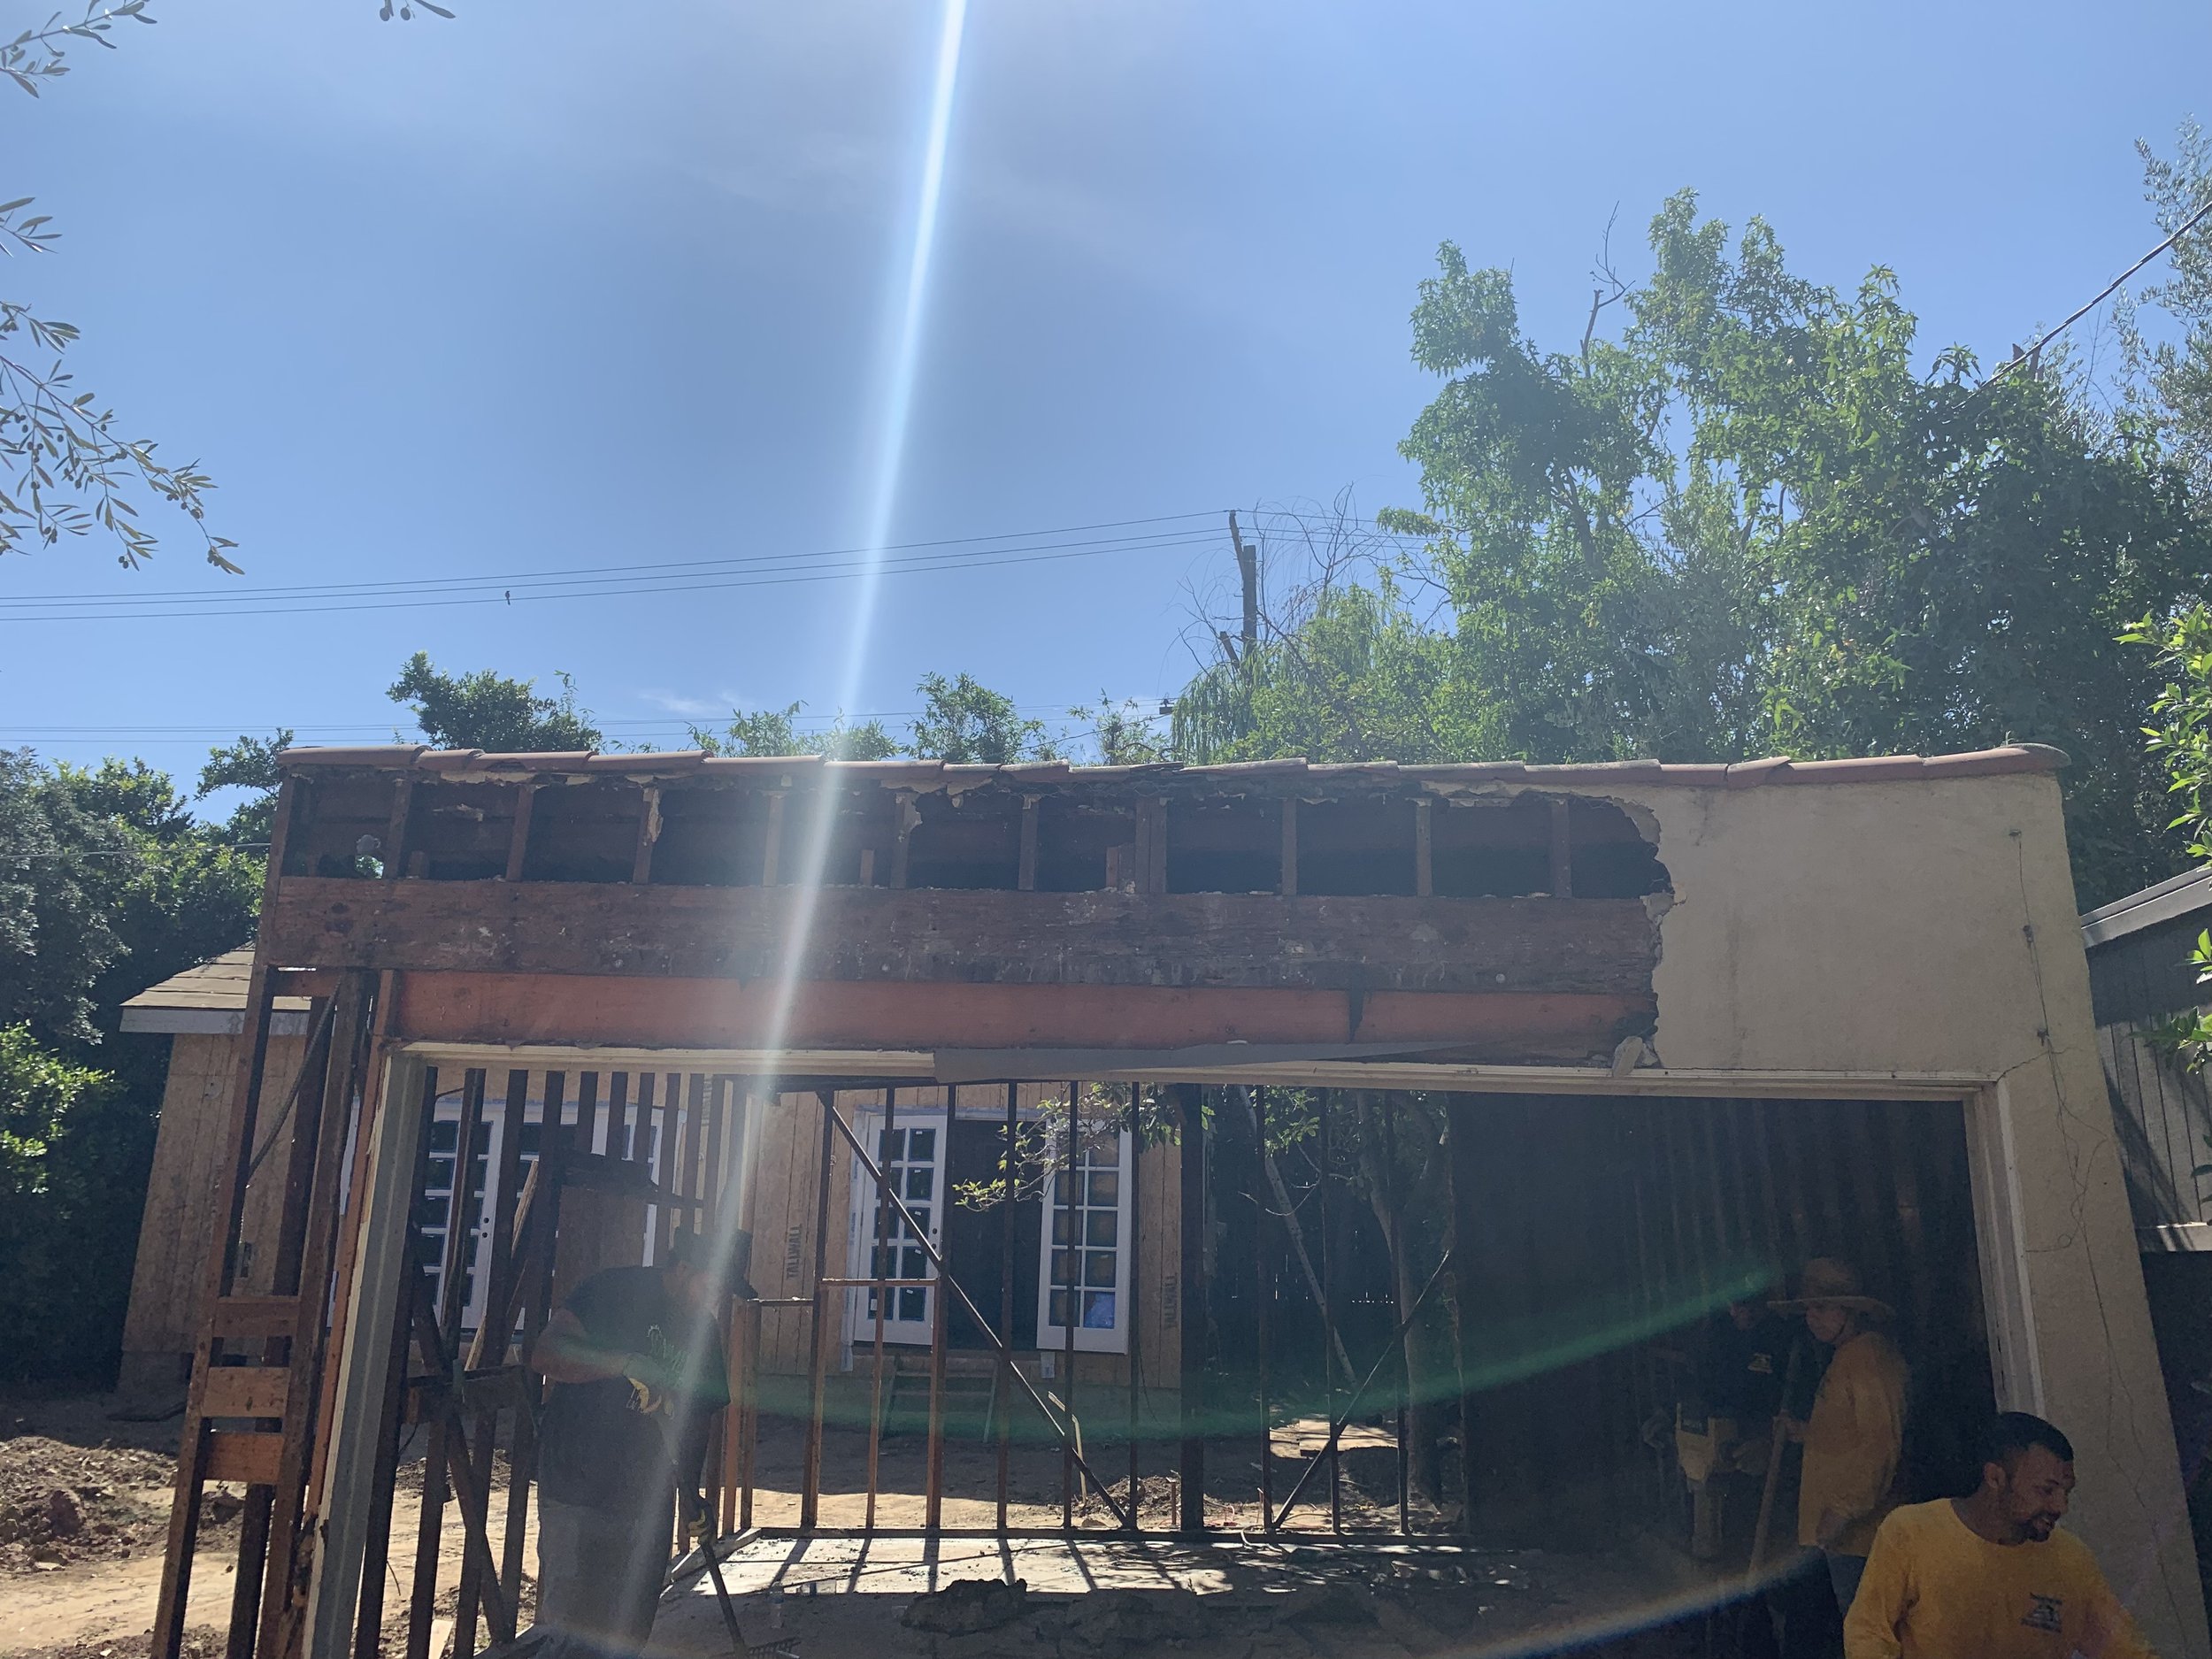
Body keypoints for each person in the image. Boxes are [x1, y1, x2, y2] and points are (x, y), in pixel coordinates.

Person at [527, 1233, 733, 1659]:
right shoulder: (613, 1292)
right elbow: (545, 1354)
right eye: (709, 1287)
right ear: (681, 1270)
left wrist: (690, 1495)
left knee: (628, 1629)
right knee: (568, 1627)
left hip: (645, 1499)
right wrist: (619, 1364)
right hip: (578, 1482)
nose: (714, 1301)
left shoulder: (704, 1332)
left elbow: (698, 1420)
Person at [1844, 1412, 2155, 1657]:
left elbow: (2128, 1652)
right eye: (2046, 1490)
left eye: (2066, 1492)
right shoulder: (1910, 1532)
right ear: (1995, 1478)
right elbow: (1868, 1634)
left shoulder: (2073, 1562)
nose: (2061, 1507)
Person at [1773, 1257, 1909, 1616]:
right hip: (1848, 1538)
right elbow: (1849, 1433)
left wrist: (1842, 1511)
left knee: (1872, 1635)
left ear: (1850, 1310)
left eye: (1821, 1308)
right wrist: (1805, 1433)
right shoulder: (1847, 1357)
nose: (1811, 1317)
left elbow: (1880, 1445)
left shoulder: (1868, 1359)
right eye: (1807, 1310)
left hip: (1865, 1536)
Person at [1677, 1295, 1789, 1559]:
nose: (1746, 1314)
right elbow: (1693, 1384)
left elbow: (1794, 1399)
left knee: (1756, 1526)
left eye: (1754, 1307)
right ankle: (1710, 1563)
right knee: (1708, 1511)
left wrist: (1770, 1439)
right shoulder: (1713, 1334)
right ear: (1729, 1305)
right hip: (1714, 1433)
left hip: (1760, 1437)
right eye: (1739, 1306)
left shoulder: (1780, 1336)